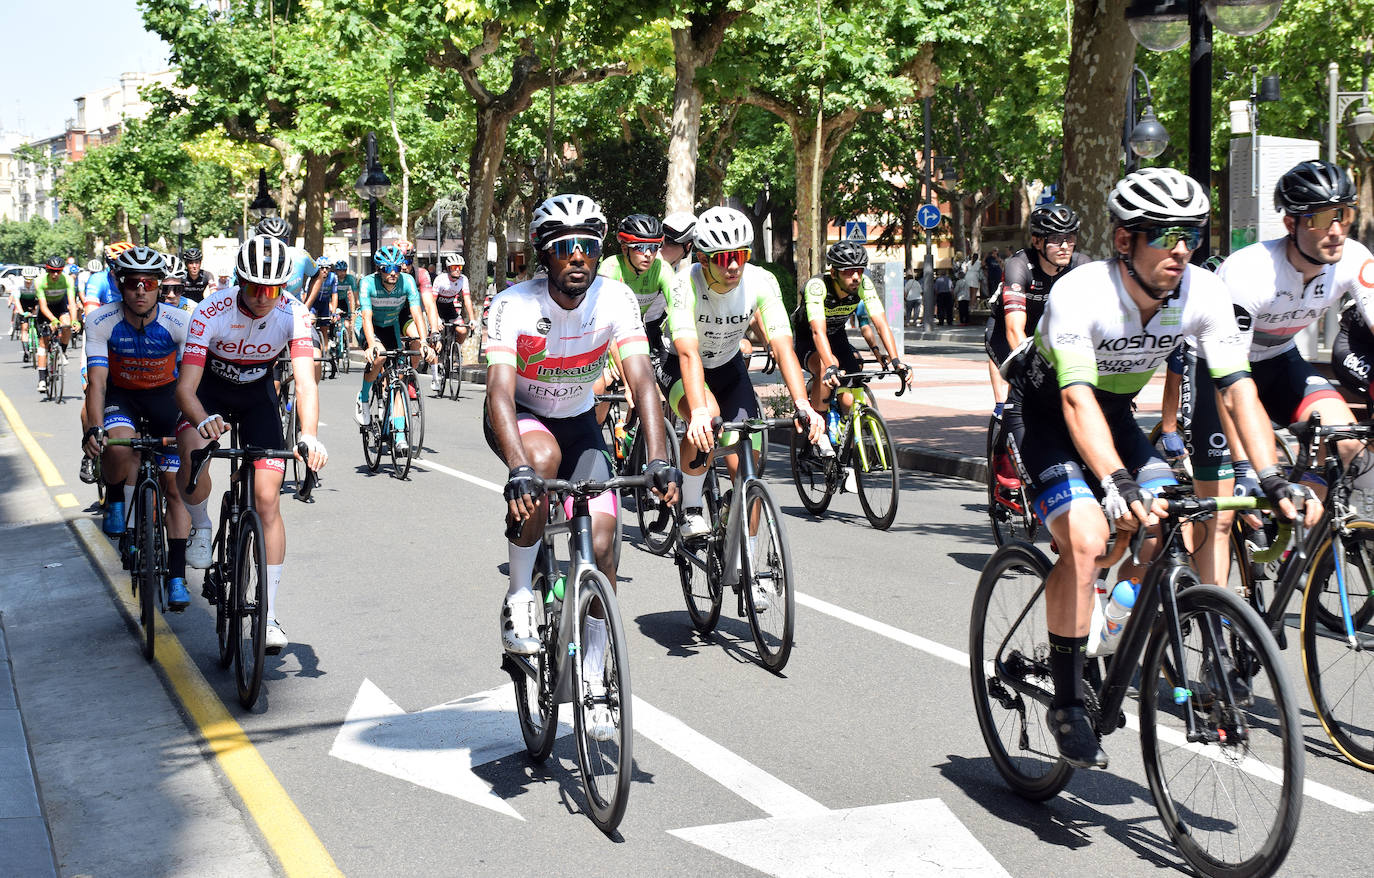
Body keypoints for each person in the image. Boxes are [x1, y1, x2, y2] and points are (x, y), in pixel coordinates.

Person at [1002, 167, 1315, 768]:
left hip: (1114, 416)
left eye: (1191, 234)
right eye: (1165, 233)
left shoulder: (1202, 292)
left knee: (1181, 523)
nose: (1181, 248)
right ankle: (1067, 700)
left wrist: (1272, 477)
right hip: (1045, 417)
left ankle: (1113, 614)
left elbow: (1238, 390)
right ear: (1126, 241)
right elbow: (1073, 400)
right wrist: (1116, 481)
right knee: (1088, 537)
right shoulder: (1082, 291)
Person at [486, 193, 679, 739]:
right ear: (543, 255)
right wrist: (518, 467)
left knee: (602, 536)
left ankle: (595, 678)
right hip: (521, 416)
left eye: (588, 247)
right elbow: (499, 390)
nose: (578, 257)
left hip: (578, 419)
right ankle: (522, 594)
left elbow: (642, 379)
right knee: (542, 465)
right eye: (565, 247)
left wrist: (660, 459)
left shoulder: (616, 298)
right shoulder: (513, 305)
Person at [1187, 159, 1374, 581]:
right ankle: (1212, 614)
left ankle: (1302, 543)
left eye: (1343, 214)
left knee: (1347, 441)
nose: (1336, 229)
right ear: (1291, 223)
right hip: (1217, 372)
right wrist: (1245, 468)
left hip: (1279, 361)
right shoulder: (1250, 273)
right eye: (1322, 217)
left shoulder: (1353, 258)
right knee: (1220, 515)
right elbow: (1229, 384)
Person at [176, 235, 328, 654]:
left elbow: (305, 382)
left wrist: (309, 434)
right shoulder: (210, 311)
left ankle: (271, 612)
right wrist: (202, 419)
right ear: (239, 280)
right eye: (254, 287)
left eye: (274, 289)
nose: (263, 298)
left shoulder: (294, 313)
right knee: (189, 455)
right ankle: (202, 525)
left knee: (267, 501)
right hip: (210, 393)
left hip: (258, 395)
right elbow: (185, 388)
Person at [666, 206, 823, 544]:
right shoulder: (683, 285)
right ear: (705, 259)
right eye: (724, 258)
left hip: (728, 366)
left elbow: (783, 347)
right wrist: (697, 413)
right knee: (707, 420)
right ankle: (691, 508)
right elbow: (688, 353)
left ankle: (753, 567)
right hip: (681, 367)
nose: (735, 265)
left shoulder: (760, 281)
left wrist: (803, 404)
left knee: (745, 473)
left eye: (741, 255)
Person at [81, 246, 193, 610]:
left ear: (160, 286)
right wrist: (94, 429)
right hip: (122, 396)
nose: (140, 290)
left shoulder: (180, 321)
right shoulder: (101, 320)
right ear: (120, 284)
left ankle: (176, 576)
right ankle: (115, 497)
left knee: (173, 489)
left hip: (166, 399)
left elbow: (192, 380)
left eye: (149, 283)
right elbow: (97, 382)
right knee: (117, 445)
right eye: (132, 283)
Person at [793, 240, 911, 457]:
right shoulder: (817, 286)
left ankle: (849, 442)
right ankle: (817, 432)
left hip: (837, 337)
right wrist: (829, 366)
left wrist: (896, 361)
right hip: (808, 339)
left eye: (859, 270)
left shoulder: (864, 284)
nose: (856, 277)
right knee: (829, 366)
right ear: (834, 272)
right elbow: (818, 332)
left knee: (856, 367)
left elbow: (880, 323)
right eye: (849, 272)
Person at [985, 205, 1090, 410]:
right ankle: (1002, 413)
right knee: (1021, 386)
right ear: (1037, 241)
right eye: (1056, 239)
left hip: (1048, 328)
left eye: (1070, 238)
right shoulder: (1019, 265)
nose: (1065, 246)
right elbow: (1014, 329)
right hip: (1005, 328)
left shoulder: (1080, 265)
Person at [352, 245, 432, 456]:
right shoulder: (368, 283)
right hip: (369, 326)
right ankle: (363, 397)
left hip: (391, 326)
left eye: (397, 266)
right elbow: (367, 317)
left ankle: (399, 437)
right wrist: (371, 344)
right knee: (378, 357)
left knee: (398, 380)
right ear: (379, 269)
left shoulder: (407, 282)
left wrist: (424, 342)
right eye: (387, 268)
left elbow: (416, 313)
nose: (393, 272)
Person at [255, 217, 324, 306]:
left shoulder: (301, 256)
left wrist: (306, 307)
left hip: (293, 313)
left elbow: (318, 276)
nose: (276, 248)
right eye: (269, 244)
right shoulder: (248, 261)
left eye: (282, 241)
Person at [34, 255, 79, 393]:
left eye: (58, 271)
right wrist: (53, 319)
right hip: (46, 310)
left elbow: (71, 303)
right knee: (43, 343)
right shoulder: (39, 281)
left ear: (62, 270)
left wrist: (75, 320)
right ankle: (42, 379)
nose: (55, 274)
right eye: (52, 271)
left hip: (60, 306)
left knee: (66, 325)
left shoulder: (68, 280)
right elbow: (42, 306)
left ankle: (62, 352)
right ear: (47, 270)